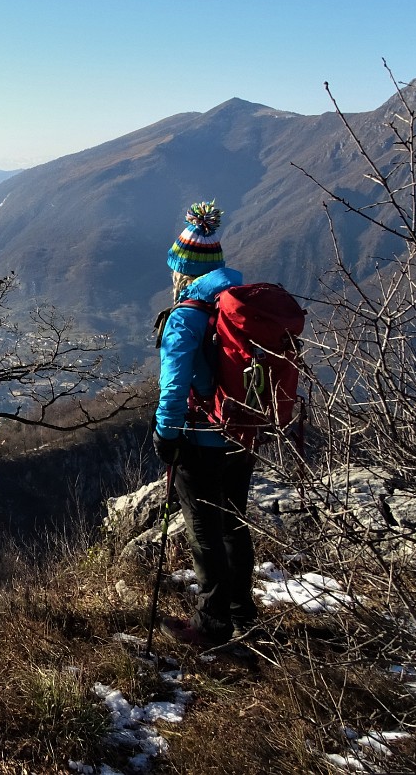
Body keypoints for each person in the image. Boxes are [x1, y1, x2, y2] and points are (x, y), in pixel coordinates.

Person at [151, 201, 259, 647]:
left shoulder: (187, 316)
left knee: (204, 530)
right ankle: (243, 614)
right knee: (234, 522)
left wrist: (165, 435)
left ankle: (210, 627)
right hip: (242, 434)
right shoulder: (240, 304)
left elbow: (173, 387)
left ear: (182, 270)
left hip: (200, 439)